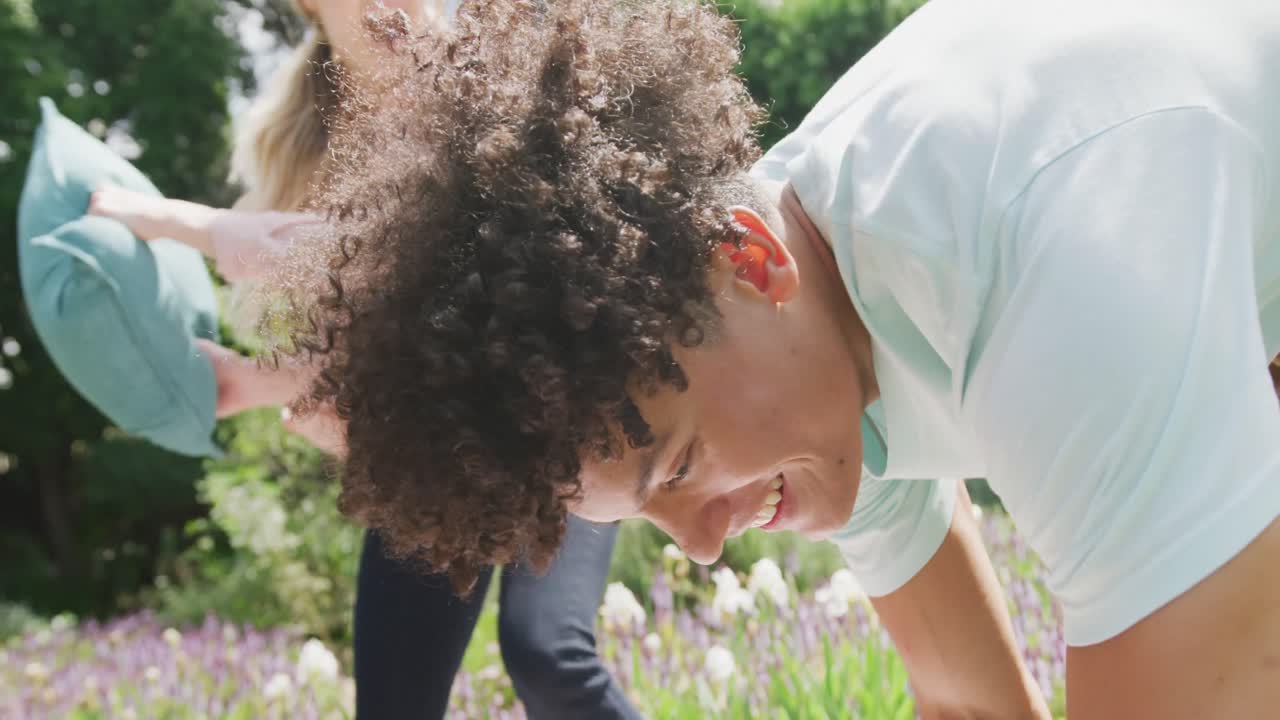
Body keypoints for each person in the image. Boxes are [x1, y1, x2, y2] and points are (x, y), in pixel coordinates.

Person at [268, 0, 1280, 717]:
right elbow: (968, 703)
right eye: (649, 515)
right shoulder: (804, 352)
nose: (705, 545)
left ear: (744, 264)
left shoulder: (1046, 263)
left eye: (678, 467)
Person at [87, 2, 641, 718]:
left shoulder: (491, 73)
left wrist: (176, 221)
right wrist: (262, 383)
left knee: (546, 653)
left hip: (566, 416)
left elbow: (363, 251)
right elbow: (375, 329)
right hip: (443, 444)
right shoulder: (302, 143)